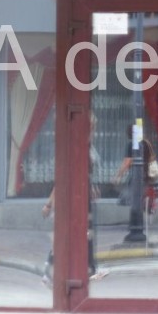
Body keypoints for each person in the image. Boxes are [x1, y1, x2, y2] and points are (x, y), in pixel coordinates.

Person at [42, 113, 107, 287]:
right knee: (69, 236)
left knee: (83, 235)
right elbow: (63, 179)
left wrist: (91, 187)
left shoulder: (84, 146)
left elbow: (83, 174)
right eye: (91, 127)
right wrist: (49, 204)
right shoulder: (74, 147)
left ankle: (88, 268)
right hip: (73, 199)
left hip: (82, 197)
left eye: (93, 127)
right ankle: (50, 271)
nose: (94, 131)